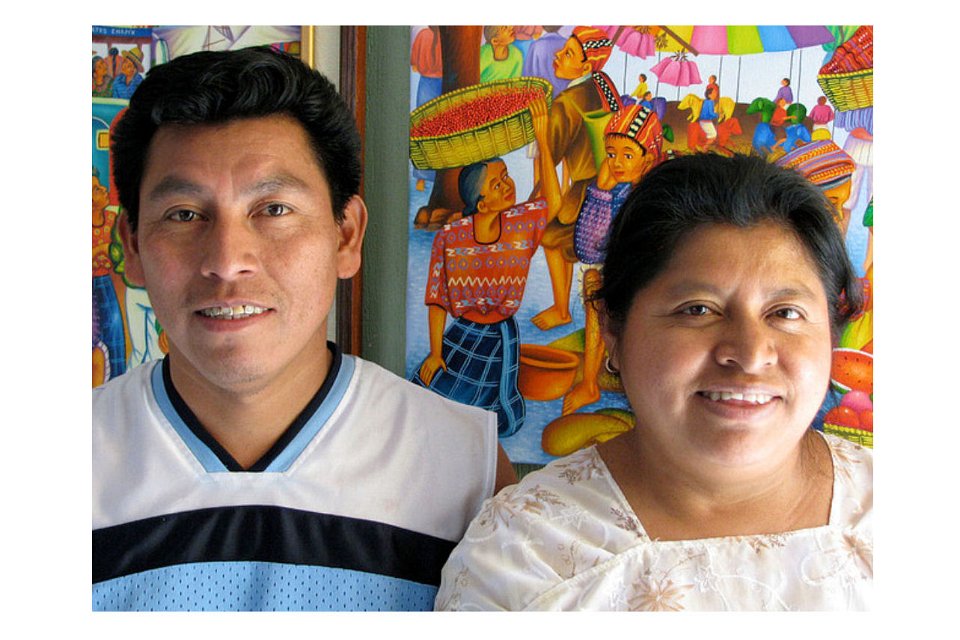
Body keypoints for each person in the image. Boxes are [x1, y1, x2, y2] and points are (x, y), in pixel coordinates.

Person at [93, 46, 515, 612]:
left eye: (273, 209)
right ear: (133, 247)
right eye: (184, 214)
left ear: (346, 236)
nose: (227, 261)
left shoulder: (465, 469)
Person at [436, 153, 872, 611]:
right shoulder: (524, 557)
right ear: (612, 328)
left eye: (785, 313)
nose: (749, 354)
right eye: (698, 309)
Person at [412, 98, 560, 437]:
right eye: (497, 184)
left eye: (506, 176)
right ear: (481, 204)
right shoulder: (450, 237)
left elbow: (552, 200)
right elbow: (437, 300)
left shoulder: (520, 224)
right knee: (437, 402)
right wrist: (435, 353)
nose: (508, 185)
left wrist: (542, 137)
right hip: (463, 333)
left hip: (500, 336)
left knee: (499, 417)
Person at [561, 104, 664, 415]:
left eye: (627, 155)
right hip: (622, 278)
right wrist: (601, 192)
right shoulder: (614, 190)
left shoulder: (658, 195)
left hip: (657, 283)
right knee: (593, 282)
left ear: (648, 159)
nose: (617, 162)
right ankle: (591, 382)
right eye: (611, 153)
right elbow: (588, 249)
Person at [532, 25, 623, 331]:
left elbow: (551, 154)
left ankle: (562, 310)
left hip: (590, 189)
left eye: (568, 53)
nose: (558, 55)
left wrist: (541, 133)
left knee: (550, 238)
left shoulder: (567, 102)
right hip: (614, 181)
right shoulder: (601, 85)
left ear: (585, 67)